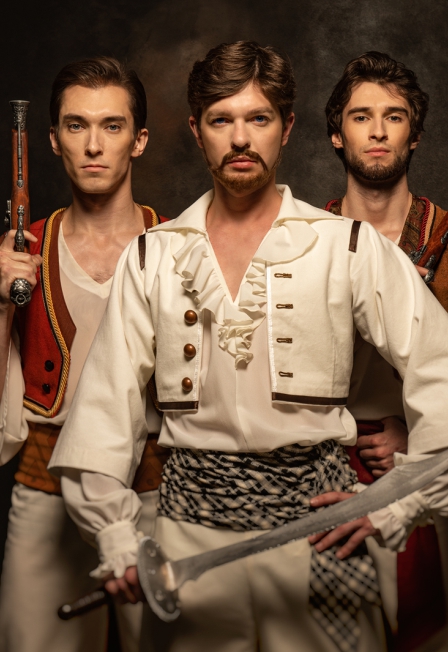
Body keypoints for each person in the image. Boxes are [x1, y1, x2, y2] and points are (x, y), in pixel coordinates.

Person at [50, 41, 448, 652]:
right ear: (196, 131)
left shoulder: (346, 245)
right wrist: (117, 536)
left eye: (258, 118)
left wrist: (398, 504)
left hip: (321, 532)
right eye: (221, 120)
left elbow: (439, 368)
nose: (240, 138)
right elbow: (103, 414)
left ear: (286, 128)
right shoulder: (153, 256)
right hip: (186, 543)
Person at [0, 57, 170, 652]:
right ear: (53, 140)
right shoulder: (22, 253)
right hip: (45, 486)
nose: (93, 145)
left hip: (156, 489)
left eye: (112, 126)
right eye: (76, 126)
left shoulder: (179, 246)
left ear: (138, 140)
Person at [323, 51, 448, 651]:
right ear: (336, 134)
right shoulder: (303, 241)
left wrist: (415, 432)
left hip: (428, 466)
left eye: (393, 117)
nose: (377, 131)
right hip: (322, 463)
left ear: (414, 135)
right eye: (361, 116)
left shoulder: (446, 242)